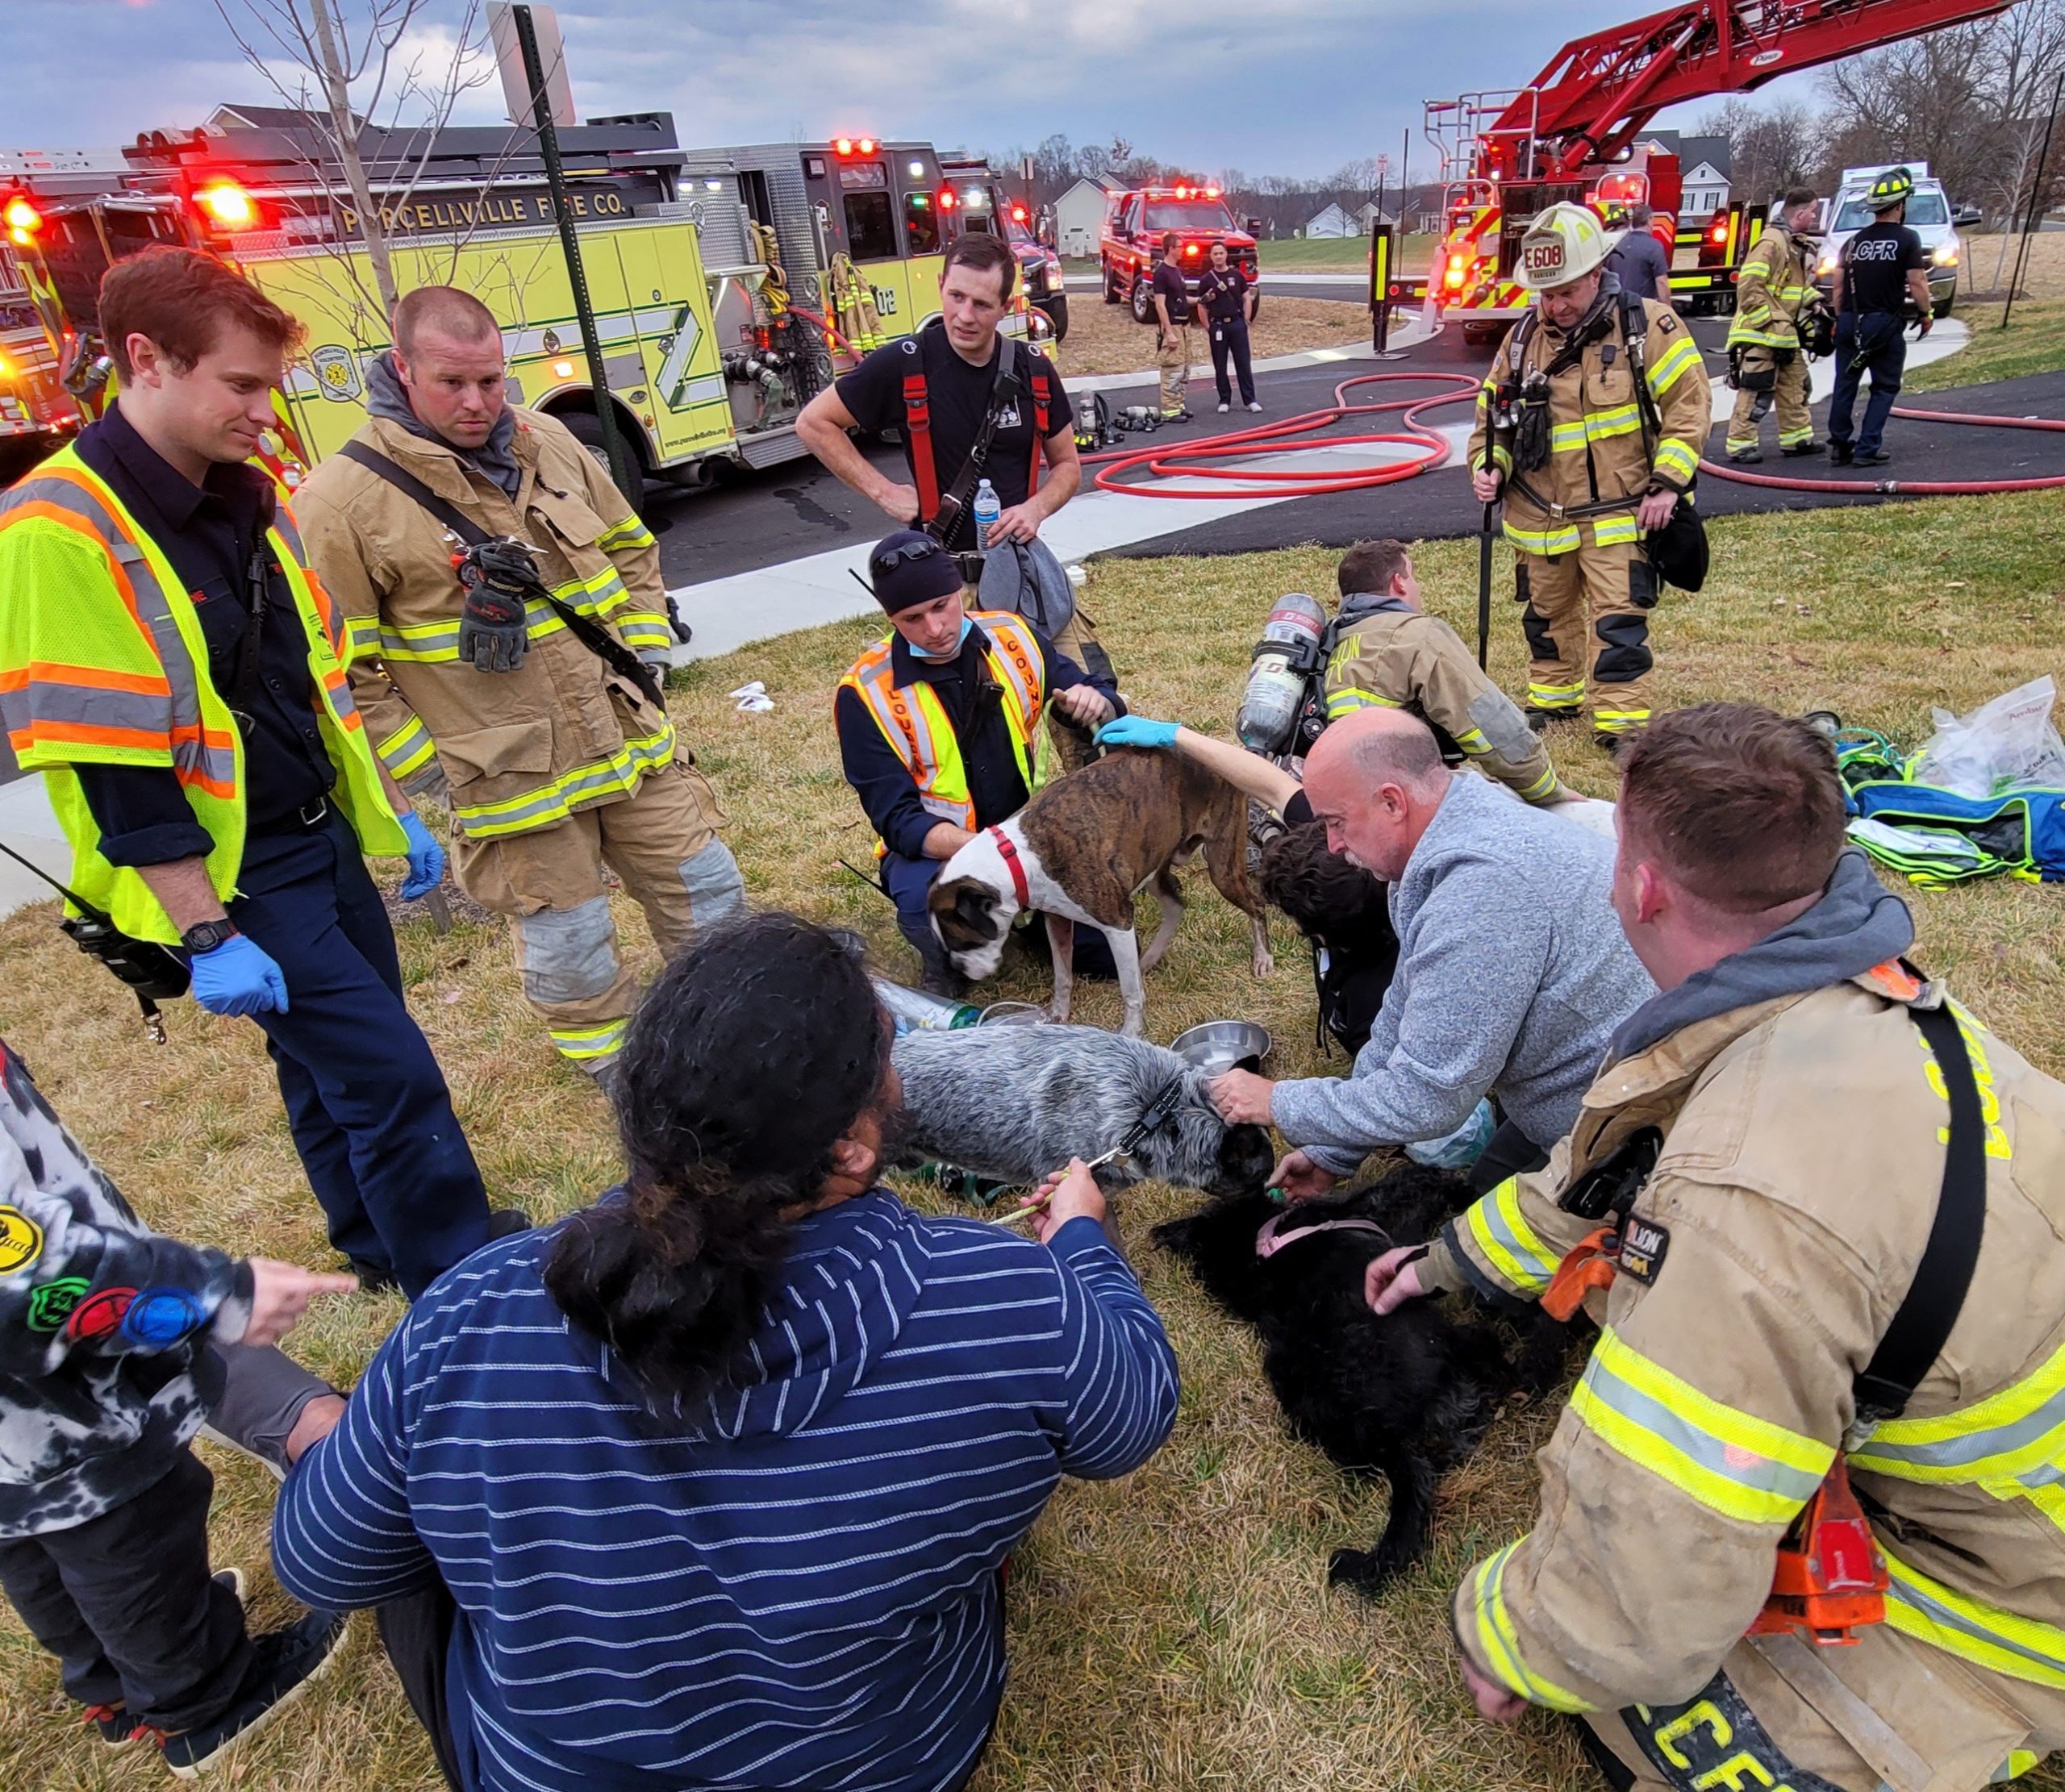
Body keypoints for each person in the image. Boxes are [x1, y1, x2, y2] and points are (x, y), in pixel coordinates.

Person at [272, 911, 1179, 1792]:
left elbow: (327, 1562)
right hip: (889, 1762)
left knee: (366, 1453)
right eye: (887, 1057)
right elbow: (1128, 1421)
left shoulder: (472, 1312)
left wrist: (344, 1436)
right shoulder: (1007, 1300)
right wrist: (1082, 1242)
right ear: (852, 1149)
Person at [1366, 702, 2065, 1792]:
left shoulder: (1747, 1203)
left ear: (1643, 887)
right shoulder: (1846, 996)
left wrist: (1516, 1634)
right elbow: (1599, 1176)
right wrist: (1447, 1259)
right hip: (1998, 1463)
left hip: (2010, 1591)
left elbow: (1665, 1532)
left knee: (1646, 1722)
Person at [0, 248, 493, 1298]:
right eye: (241, 384)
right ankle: (457, 1273)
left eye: (271, 385)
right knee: (390, 1071)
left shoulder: (245, 496)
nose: (266, 411)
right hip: (234, 868)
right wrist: (207, 930)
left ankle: (375, 1243)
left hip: (316, 834)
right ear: (146, 361)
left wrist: (387, 812)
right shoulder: (59, 527)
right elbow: (113, 759)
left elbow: (310, 679)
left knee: (327, 1067)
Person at [295, 285, 745, 1086]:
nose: (478, 403)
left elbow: (631, 547)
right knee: (572, 949)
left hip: (628, 744)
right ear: (402, 368)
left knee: (711, 892)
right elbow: (342, 669)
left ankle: (736, 1043)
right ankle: (625, 1082)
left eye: (491, 379)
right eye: (452, 383)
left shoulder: (549, 442)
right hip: (511, 784)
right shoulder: (340, 503)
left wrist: (646, 660)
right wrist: (434, 771)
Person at [0, 1036, 356, 1775]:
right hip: (56, 1401)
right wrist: (212, 1296)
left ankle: (111, 1682)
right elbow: (27, 1277)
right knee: (127, 1529)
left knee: (28, 1527)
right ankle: (202, 1701)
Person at [1198, 709, 1654, 1197]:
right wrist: (1334, 1151)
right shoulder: (1446, 833)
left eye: (1336, 822)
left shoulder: (1479, 900)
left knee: (1473, 1235)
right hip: (1571, 1097)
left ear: (1392, 802)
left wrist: (1276, 1101)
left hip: (1623, 1134)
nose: (1332, 845)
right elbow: (1399, 1017)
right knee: (1473, 1199)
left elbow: (1429, 1096)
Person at [796, 233, 1107, 677]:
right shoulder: (905, 364)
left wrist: (1035, 509)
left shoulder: (1033, 369)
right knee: (968, 712)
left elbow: (1067, 466)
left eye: (981, 304)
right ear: (941, 284)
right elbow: (814, 423)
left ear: (1005, 306)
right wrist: (883, 492)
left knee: (1091, 698)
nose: (965, 316)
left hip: (1023, 573)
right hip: (943, 588)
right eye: (956, 296)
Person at [1468, 202, 1711, 755]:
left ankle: (1621, 723)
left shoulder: (1647, 326)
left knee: (1618, 620)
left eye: (1567, 292)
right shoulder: (1522, 339)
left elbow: (1690, 407)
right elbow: (1492, 417)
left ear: (1597, 274)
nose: (1555, 306)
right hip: (1540, 513)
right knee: (1545, 615)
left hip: (1619, 512)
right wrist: (1490, 466)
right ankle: (1553, 699)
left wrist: (1667, 483)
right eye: (1546, 294)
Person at [835, 530, 1120, 992]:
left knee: (1104, 959)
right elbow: (898, 821)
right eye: (912, 618)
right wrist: (995, 852)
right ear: (890, 617)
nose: (935, 628)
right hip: (943, 850)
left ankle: (1027, 918)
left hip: (1029, 832)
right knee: (930, 915)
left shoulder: (1013, 637)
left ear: (960, 592)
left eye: (942, 606)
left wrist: (1094, 700)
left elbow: (1096, 691)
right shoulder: (863, 693)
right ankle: (956, 944)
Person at [1320, 538, 1572, 805]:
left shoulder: (1328, 641)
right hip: (1387, 796)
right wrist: (1547, 791)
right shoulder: (1417, 635)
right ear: (1399, 583)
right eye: (1413, 576)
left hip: (1330, 791)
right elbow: (1488, 723)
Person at [1828, 165, 1934, 468]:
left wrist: (1840, 320)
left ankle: (1839, 446)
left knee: (1845, 383)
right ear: (1901, 205)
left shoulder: (1852, 243)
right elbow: (1917, 283)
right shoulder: (1908, 239)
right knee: (1885, 386)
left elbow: (1838, 287)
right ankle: (1867, 447)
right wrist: (1925, 313)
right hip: (1884, 324)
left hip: (1850, 322)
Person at [1724, 188, 1824, 463]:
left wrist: (1815, 301)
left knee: (1796, 386)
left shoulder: (1791, 244)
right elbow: (1748, 287)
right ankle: (1740, 445)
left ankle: (1797, 439)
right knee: (1757, 390)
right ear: (1800, 214)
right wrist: (1767, 323)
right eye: (1813, 212)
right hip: (1761, 335)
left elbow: (1791, 288)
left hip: (1783, 335)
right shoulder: (1771, 243)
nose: (1814, 218)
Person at [1196, 241, 1261, 415]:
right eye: (1215, 254)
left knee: (1243, 363)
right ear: (1211, 257)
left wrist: (1246, 320)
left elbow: (1247, 298)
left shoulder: (1236, 275)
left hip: (1237, 324)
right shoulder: (1206, 280)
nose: (1218, 256)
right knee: (1220, 364)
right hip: (1218, 325)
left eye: (1221, 253)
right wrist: (1207, 326)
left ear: (1226, 255)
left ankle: (1250, 400)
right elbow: (1201, 305)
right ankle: (1224, 399)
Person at [1149, 232, 1195, 422]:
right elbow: (1160, 305)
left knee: (1184, 368)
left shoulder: (1177, 271)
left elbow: (1182, 298)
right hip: (1173, 326)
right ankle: (1170, 410)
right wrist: (1169, 333)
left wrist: (1200, 300)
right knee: (1173, 369)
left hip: (1184, 326)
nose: (1183, 250)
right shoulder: (1162, 273)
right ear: (1170, 249)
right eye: (1180, 247)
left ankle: (1179, 404)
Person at [1601, 203, 1670, 303]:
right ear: (1649, 220)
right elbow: (1661, 282)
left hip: (1617, 305)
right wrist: (1667, 308)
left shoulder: (1616, 244)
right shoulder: (1654, 246)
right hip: (1642, 306)